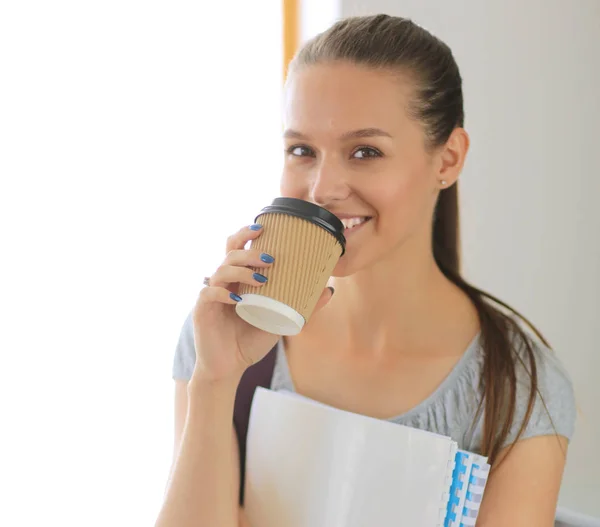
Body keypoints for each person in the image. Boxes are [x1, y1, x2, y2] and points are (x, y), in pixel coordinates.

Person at [155, 14, 576, 527]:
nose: (322, 188)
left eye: (365, 151)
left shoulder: (520, 388)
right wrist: (215, 382)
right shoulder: (223, 332)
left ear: (447, 159)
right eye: (302, 150)